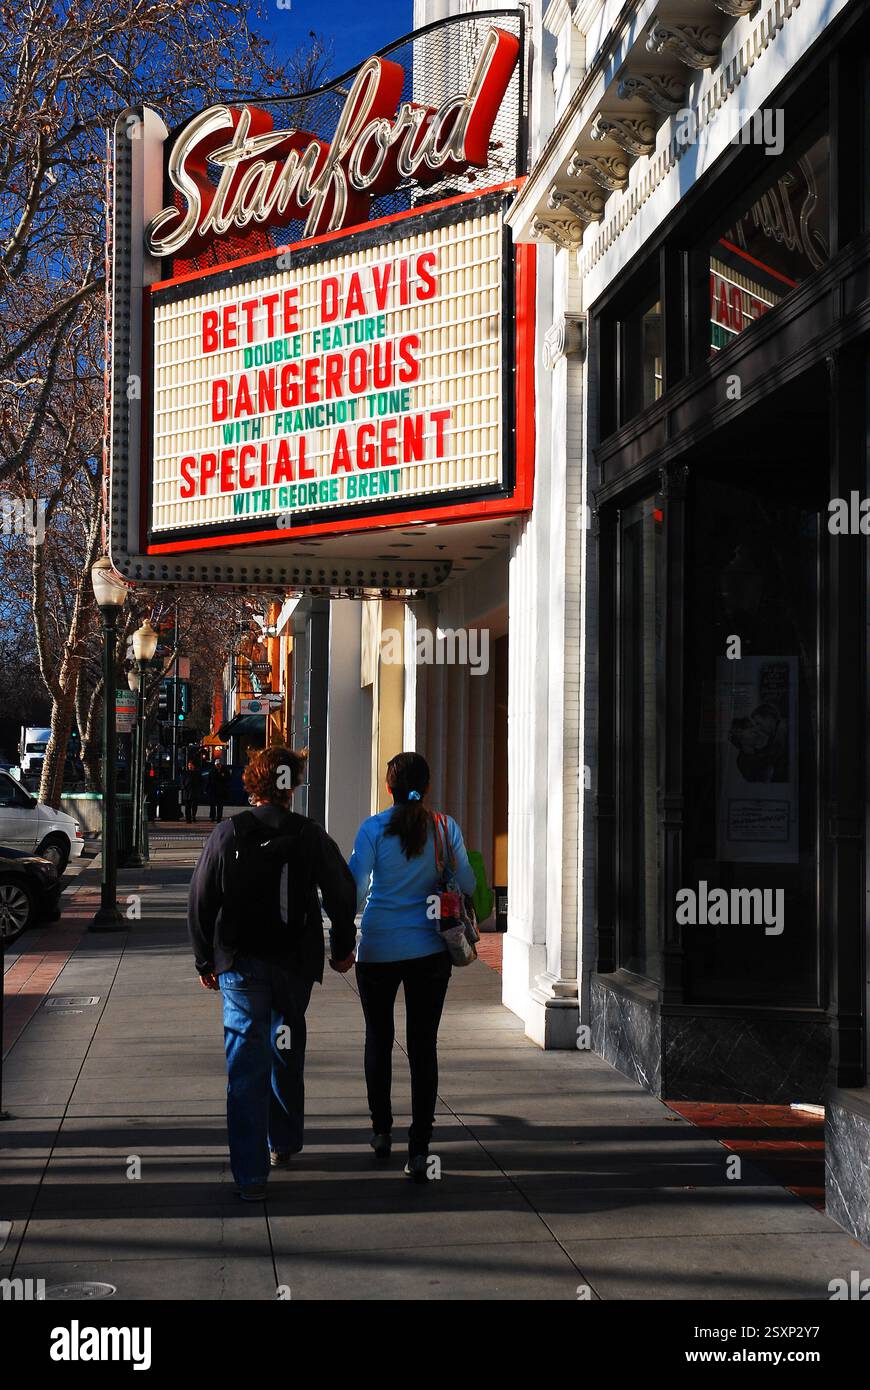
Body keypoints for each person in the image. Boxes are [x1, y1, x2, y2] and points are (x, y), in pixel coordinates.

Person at [188, 746, 357, 1201]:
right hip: (294, 964)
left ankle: (251, 1175)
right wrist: (343, 946)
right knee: (286, 1042)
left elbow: (202, 898)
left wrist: (206, 960)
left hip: (240, 964)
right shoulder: (310, 834)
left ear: (253, 783)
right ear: (293, 785)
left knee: (246, 1059)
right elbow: (341, 892)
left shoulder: (228, 833)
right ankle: (282, 1141)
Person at [349, 752, 476, 1182]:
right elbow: (471, 884)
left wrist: (343, 941)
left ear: (388, 788)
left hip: (380, 948)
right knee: (423, 1046)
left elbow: (353, 888)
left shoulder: (372, 829)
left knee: (378, 1039)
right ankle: (419, 1147)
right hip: (429, 952)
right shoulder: (444, 828)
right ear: (427, 785)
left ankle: (380, 1129)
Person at [206, 756, 232, 821]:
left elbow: (227, 779)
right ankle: (212, 817)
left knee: (220, 806)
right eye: (217, 765)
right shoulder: (212, 771)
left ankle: (219, 817)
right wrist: (207, 789)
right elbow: (209, 781)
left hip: (221, 791)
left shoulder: (224, 771)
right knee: (212, 805)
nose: (218, 766)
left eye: (219, 764)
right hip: (213, 790)